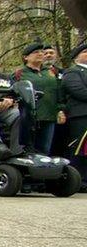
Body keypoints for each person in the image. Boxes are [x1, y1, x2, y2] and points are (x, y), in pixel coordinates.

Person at [13, 43, 65, 155]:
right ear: (25, 57)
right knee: (30, 149)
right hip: (29, 117)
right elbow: (14, 92)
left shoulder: (51, 72)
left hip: (49, 116)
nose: (40, 54)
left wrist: (61, 109)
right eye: (36, 52)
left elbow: (59, 92)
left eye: (41, 52)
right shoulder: (19, 74)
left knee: (45, 149)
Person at [61, 43, 87, 192]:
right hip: (81, 115)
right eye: (85, 52)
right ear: (77, 57)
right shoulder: (72, 72)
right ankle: (79, 180)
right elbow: (78, 90)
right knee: (80, 149)